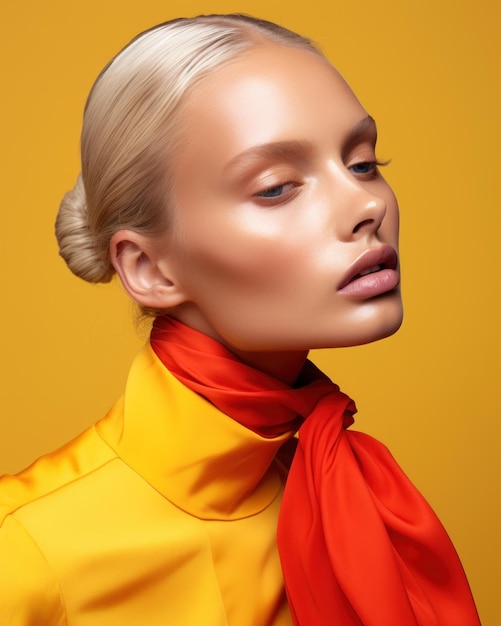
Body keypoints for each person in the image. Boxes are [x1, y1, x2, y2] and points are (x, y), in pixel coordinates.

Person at [0, 13, 480, 626]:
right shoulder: (26, 552)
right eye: (278, 187)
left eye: (362, 162)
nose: (366, 204)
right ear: (149, 268)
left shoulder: (341, 492)